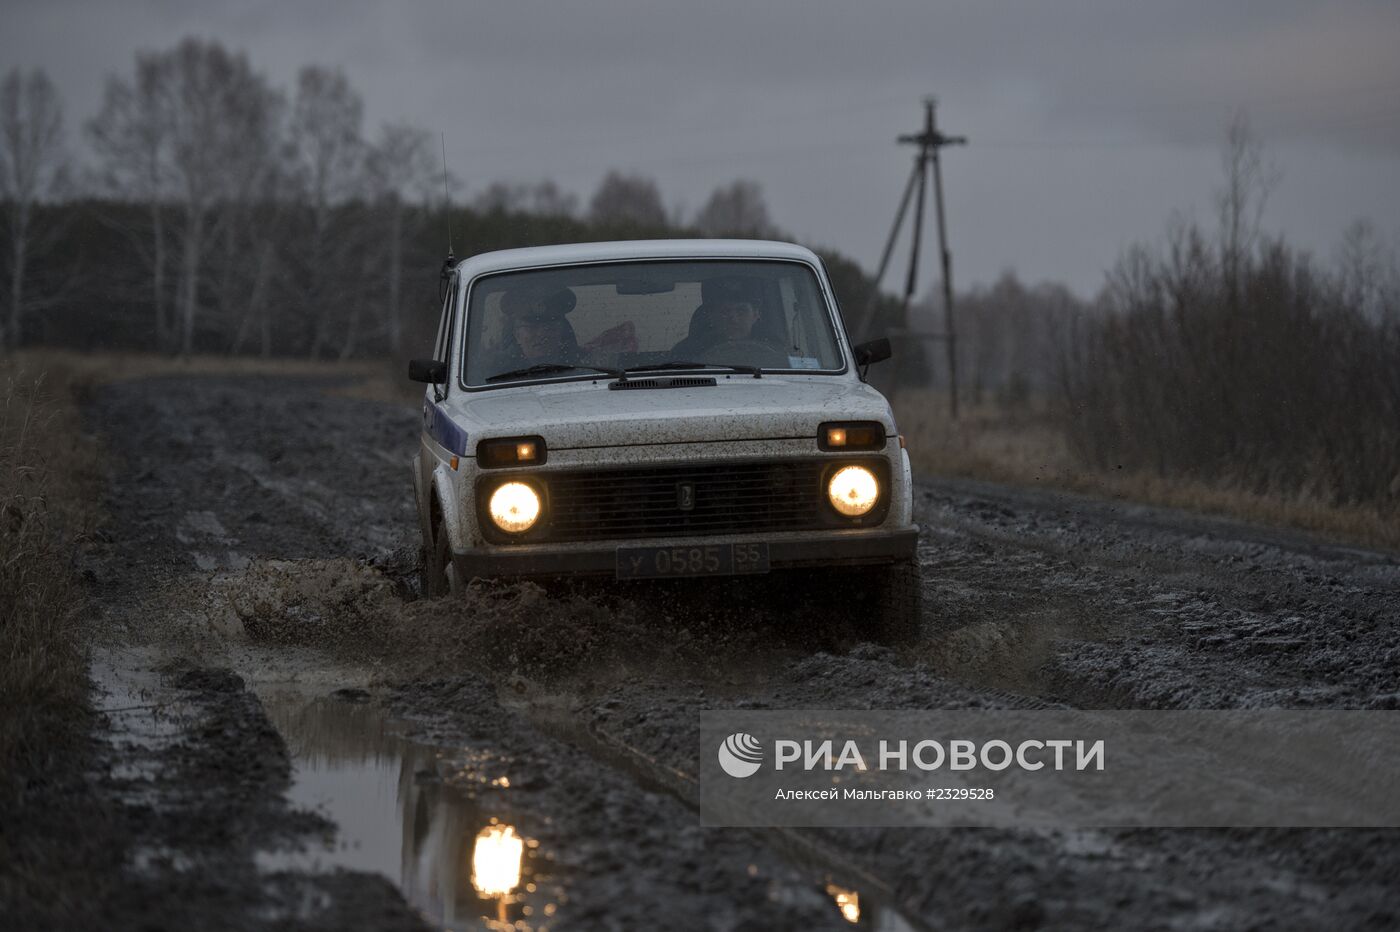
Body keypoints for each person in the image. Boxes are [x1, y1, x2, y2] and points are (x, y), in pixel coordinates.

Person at [496, 286, 581, 366]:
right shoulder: (497, 373)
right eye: (531, 328)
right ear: (517, 335)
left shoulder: (584, 366)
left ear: (561, 332)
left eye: (549, 327)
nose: (541, 334)